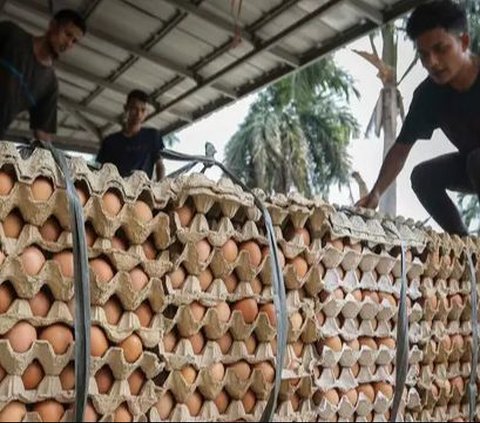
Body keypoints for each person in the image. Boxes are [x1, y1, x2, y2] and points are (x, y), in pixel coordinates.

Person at [356, 0, 480, 236]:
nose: (432, 62)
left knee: (476, 160)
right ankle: (469, 250)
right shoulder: (429, 95)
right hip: (474, 165)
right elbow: (401, 150)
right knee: (423, 177)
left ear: (463, 42)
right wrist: (376, 193)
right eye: (424, 55)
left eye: (441, 49)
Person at [0, 9, 86, 141]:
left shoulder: (50, 85)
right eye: (67, 34)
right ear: (52, 25)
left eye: (74, 41)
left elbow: (43, 133)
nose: (69, 43)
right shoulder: (11, 34)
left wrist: (53, 158)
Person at [96, 89, 166, 180]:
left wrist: (159, 189)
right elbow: (103, 171)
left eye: (143, 110)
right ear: (126, 108)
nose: (138, 114)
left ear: (146, 112)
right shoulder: (110, 142)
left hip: (143, 190)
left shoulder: (153, 136)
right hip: (116, 191)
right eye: (134, 109)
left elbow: (159, 165)